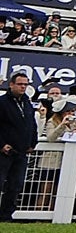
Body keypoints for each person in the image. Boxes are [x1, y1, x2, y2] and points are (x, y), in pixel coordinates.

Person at [0, 70, 37, 219]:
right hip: (4, 151)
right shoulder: (2, 103)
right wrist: (1, 144)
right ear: (11, 85)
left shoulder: (27, 103)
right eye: (20, 84)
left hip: (21, 152)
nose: (23, 87)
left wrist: (32, 143)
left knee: (15, 185)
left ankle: (6, 215)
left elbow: (32, 125)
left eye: (25, 84)